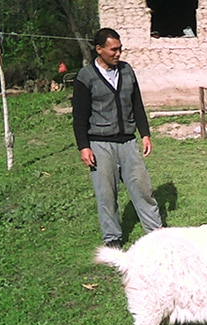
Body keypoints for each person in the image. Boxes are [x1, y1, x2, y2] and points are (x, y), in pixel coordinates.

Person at [72, 28, 162, 248]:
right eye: (113, 49)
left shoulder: (127, 71)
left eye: (120, 49)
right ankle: (113, 238)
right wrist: (84, 147)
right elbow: (79, 116)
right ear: (99, 49)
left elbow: (137, 105)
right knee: (107, 194)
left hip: (128, 142)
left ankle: (157, 235)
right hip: (100, 144)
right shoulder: (86, 77)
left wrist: (145, 134)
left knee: (142, 189)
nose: (118, 53)